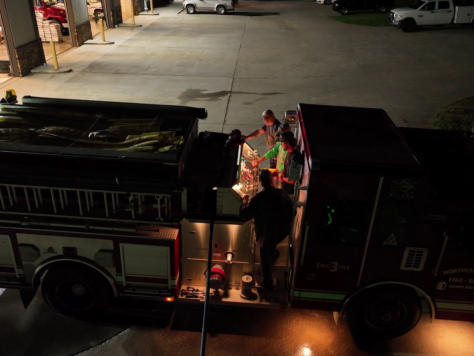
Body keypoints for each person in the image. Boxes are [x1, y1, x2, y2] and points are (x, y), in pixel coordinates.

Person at [240, 170, 293, 291]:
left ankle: (267, 284)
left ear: (260, 182)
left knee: (264, 255)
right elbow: (290, 209)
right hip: (282, 231)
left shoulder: (258, 198)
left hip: (266, 234)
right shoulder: (281, 193)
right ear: (271, 181)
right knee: (270, 247)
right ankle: (273, 255)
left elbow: (244, 216)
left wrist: (244, 203)